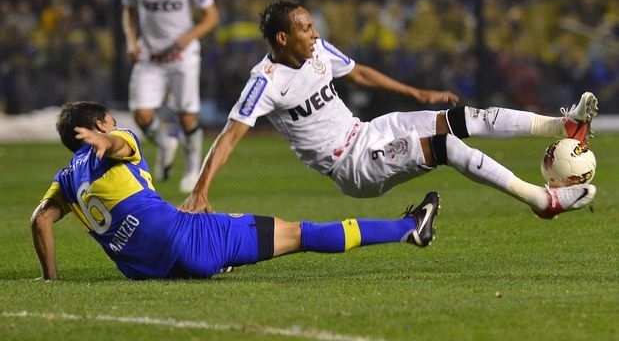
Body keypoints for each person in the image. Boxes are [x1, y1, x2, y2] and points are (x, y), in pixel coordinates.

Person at [180, 0, 598, 220]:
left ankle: (563, 126)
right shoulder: (265, 82)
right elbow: (228, 137)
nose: (315, 33)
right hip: (351, 165)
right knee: (447, 146)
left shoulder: (318, 51)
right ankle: (541, 200)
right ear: (283, 38)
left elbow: (359, 73)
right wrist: (201, 190)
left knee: (468, 118)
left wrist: (417, 93)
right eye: (306, 28)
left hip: (369, 131)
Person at [30, 101, 440, 280]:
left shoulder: (65, 178)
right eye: (109, 121)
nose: (115, 125)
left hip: (145, 269)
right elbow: (120, 145)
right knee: (300, 234)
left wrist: (50, 279)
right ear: (100, 125)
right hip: (186, 245)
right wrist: (108, 141)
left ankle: (220, 256)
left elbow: (39, 221)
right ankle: (409, 228)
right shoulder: (119, 141)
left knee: (198, 220)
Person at [121, 0, 219, 193]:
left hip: (182, 57)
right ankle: (165, 143)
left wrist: (188, 37)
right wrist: (131, 41)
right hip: (150, 56)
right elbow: (128, 11)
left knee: (187, 117)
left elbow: (211, 15)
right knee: (141, 115)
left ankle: (192, 172)